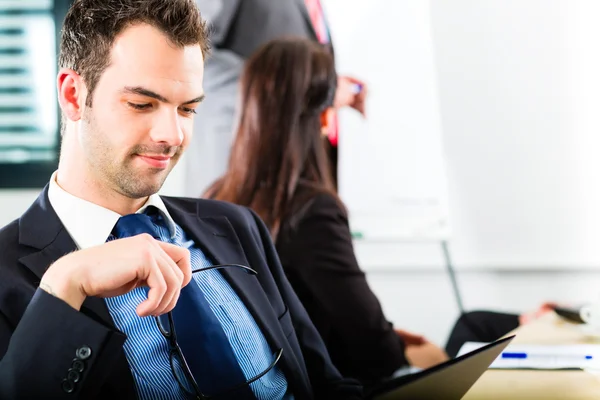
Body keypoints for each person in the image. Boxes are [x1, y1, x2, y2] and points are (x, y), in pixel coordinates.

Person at [0, 1, 363, 399]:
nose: (172, 136)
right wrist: (65, 286)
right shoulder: (9, 276)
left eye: (187, 109)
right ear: (73, 96)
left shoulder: (239, 227)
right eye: (142, 104)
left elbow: (326, 385)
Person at [204, 37, 450, 391]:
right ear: (323, 116)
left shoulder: (214, 197)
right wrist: (409, 350)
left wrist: (389, 337)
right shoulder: (312, 210)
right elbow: (371, 343)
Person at [187, 0, 367, 196]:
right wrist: (307, 86)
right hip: (242, 153)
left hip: (298, 158)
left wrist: (326, 85)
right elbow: (192, 48)